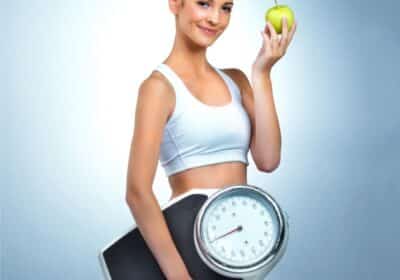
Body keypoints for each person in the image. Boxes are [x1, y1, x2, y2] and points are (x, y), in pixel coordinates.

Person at [125, 0, 297, 279]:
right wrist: (179, 276)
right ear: (175, 4)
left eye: (226, 8)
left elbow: (268, 159)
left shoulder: (237, 81)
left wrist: (262, 72)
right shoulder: (158, 88)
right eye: (204, 4)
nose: (215, 18)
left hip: (241, 246)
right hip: (187, 250)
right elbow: (137, 192)